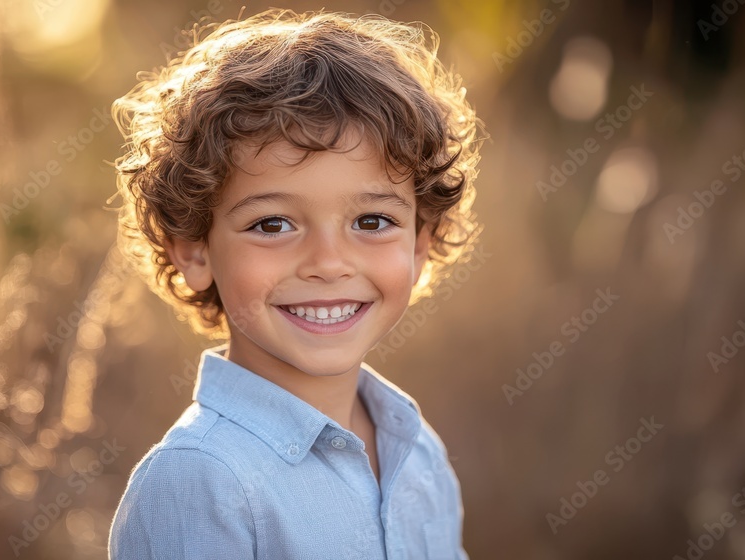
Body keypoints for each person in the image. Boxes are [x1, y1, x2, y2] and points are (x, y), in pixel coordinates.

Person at [108, 8, 481, 559]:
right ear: (194, 250)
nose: (328, 263)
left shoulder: (416, 449)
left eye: (372, 221)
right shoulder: (200, 481)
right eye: (272, 225)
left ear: (420, 243)